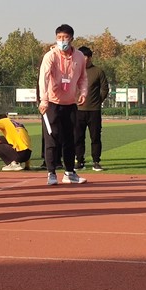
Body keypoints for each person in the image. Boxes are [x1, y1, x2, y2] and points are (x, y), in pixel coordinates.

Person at [38, 24, 88, 185]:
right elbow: (44, 78)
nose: (62, 41)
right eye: (59, 37)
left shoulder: (79, 56)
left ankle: (69, 172)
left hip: (70, 103)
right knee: (52, 138)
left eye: (65, 37)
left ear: (72, 38)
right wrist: (44, 100)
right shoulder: (50, 56)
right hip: (52, 104)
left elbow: (83, 77)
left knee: (70, 139)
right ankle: (51, 173)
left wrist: (83, 92)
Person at [74, 46, 109, 171]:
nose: (83, 59)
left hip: (94, 110)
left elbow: (105, 88)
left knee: (95, 137)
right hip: (78, 110)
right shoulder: (74, 71)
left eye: (85, 57)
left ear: (89, 58)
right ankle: (80, 161)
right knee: (78, 137)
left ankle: (96, 161)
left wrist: (98, 101)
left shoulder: (98, 71)